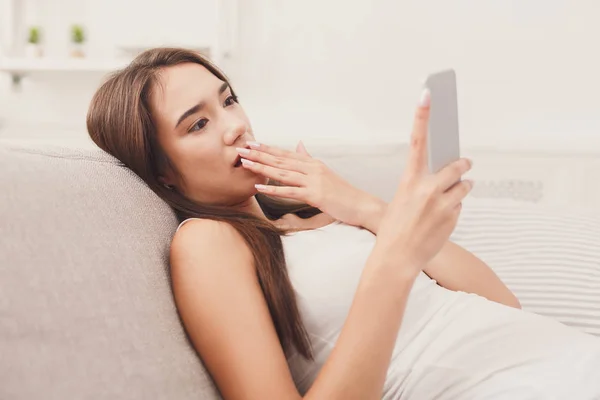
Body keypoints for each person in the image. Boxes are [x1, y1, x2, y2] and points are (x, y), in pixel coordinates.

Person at [87, 47, 600, 400]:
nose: (236, 125)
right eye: (198, 123)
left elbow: (504, 308)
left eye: (228, 100)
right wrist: (394, 260)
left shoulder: (314, 218)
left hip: (564, 359)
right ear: (163, 174)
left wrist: (367, 209)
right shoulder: (207, 243)